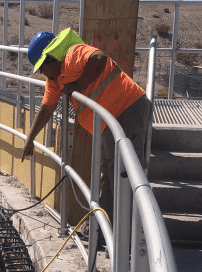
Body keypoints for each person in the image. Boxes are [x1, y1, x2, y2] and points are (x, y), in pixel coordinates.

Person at [20, 28, 151, 222]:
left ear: (51, 58)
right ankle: (105, 231)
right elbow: (47, 108)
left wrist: (77, 86)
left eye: (41, 66)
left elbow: (98, 58)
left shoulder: (72, 54)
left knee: (123, 178)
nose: (41, 72)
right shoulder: (54, 79)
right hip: (109, 122)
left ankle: (128, 240)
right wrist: (30, 139)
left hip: (127, 110)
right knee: (109, 176)